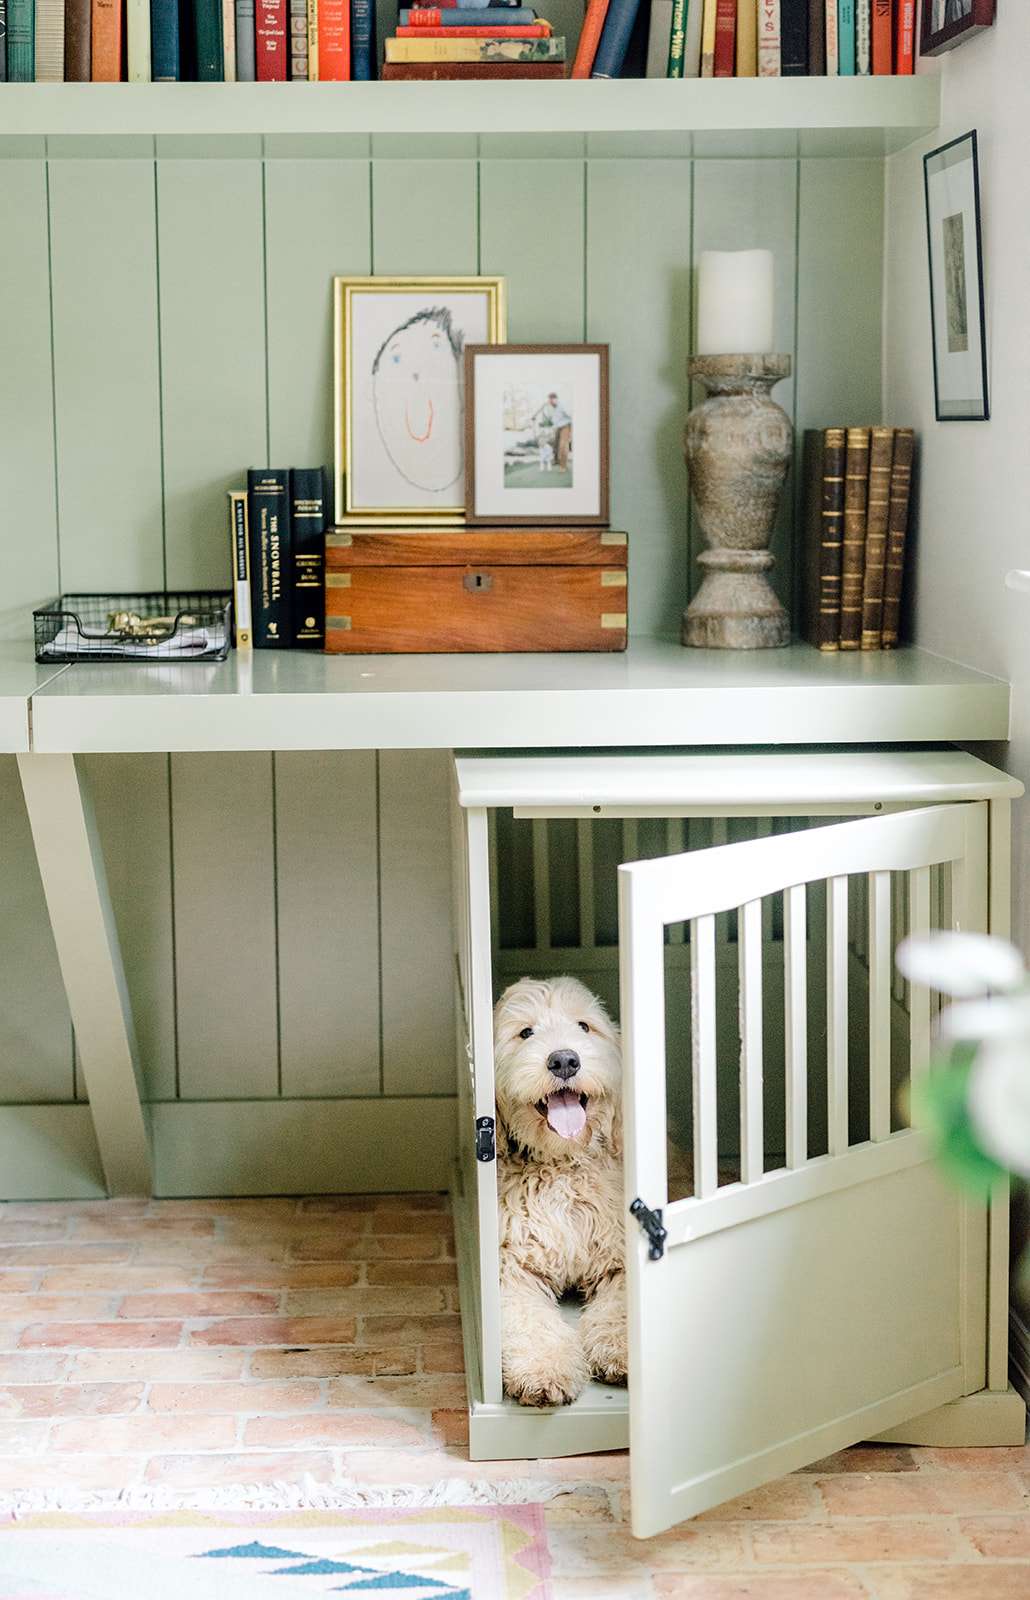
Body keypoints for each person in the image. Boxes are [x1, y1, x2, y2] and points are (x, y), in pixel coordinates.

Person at [533, 392, 572, 472]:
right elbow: (551, 420)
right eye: (549, 400)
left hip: (565, 426)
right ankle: (557, 460)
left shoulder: (562, 406)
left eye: (551, 400)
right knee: (555, 444)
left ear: (556, 399)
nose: (550, 402)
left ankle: (563, 466)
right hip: (557, 427)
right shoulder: (551, 408)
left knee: (563, 446)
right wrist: (536, 418)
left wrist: (571, 431)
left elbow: (571, 416)